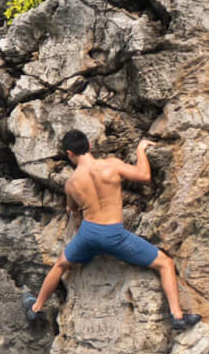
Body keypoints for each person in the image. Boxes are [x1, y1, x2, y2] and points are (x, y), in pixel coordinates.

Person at [26, 129, 198, 330]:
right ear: (89, 145)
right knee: (165, 263)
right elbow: (144, 175)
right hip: (114, 235)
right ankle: (177, 316)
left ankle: (35, 306)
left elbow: (72, 210)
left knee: (60, 265)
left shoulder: (71, 183)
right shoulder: (111, 165)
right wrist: (141, 149)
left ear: (69, 154)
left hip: (88, 235)